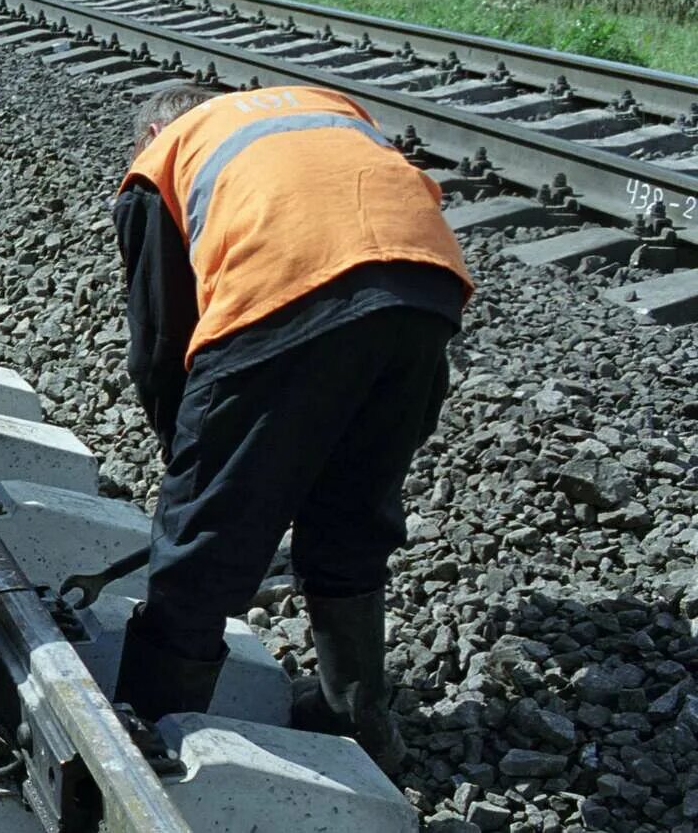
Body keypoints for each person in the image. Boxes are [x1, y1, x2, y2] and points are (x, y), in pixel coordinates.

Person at [110, 83, 472, 772]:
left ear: (153, 129)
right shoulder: (319, 108)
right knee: (353, 513)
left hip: (289, 286)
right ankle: (360, 720)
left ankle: (148, 732)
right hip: (425, 290)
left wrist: (194, 473)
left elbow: (159, 347)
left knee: (201, 545)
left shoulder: (164, 161)